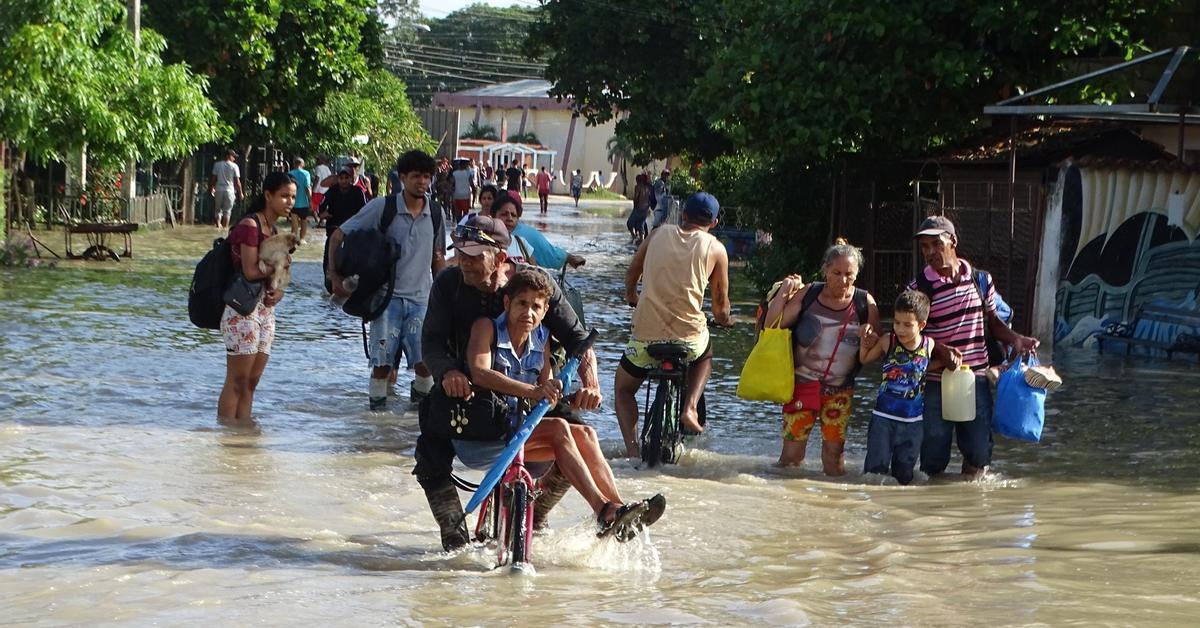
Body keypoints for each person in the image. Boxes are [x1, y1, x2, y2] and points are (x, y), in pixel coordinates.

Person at [415, 215, 604, 551]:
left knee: (577, 435)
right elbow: (431, 342)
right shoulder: (448, 283)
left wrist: (591, 384)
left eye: (474, 256)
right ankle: (454, 535)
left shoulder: (535, 284)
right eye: (460, 254)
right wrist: (447, 372)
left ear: (501, 258)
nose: (464, 263)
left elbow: (580, 342)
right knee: (429, 453)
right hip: (467, 391)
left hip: (532, 389)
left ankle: (540, 510)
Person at [459, 268, 665, 539]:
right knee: (558, 429)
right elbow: (480, 373)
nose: (528, 313)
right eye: (522, 303)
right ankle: (602, 509)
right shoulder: (486, 328)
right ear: (507, 303)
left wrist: (576, 393)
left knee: (586, 432)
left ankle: (618, 509)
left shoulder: (542, 338)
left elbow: (547, 391)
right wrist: (534, 391)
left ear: (545, 312)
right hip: (482, 432)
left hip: (519, 431)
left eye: (536, 307)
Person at [908, 216, 1039, 478]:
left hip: (975, 377)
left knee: (979, 452)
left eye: (936, 244)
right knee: (934, 451)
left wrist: (1015, 339)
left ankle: (971, 511)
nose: (930, 252)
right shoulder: (919, 288)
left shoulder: (981, 281)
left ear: (953, 241)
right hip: (936, 379)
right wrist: (939, 350)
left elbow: (993, 323)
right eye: (925, 247)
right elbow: (909, 337)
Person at [327, 150, 446, 410]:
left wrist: (444, 299)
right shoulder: (383, 207)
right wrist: (333, 275)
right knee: (381, 365)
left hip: (421, 301)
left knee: (425, 365)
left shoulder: (436, 214)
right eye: (416, 177)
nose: (422, 183)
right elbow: (338, 235)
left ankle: (417, 420)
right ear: (402, 177)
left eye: (427, 177)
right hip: (385, 302)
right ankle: (377, 422)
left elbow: (438, 258)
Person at [615, 193, 732, 457]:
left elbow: (632, 272)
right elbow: (720, 306)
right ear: (713, 223)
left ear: (684, 216)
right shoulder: (716, 248)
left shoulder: (657, 234)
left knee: (623, 389)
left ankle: (632, 452)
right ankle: (690, 406)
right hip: (688, 340)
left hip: (645, 337)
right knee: (706, 355)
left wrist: (631, 296)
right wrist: (726, 320)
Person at [761, 240, 882, 475]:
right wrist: (786, 289)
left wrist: (870, 339)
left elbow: (871, 352)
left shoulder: (865, 302)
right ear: (825, 270)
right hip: (801, 386)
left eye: (849, 274)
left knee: (834, 458)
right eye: (837, 273)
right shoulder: (810, 294)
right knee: (791, 457)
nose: (843, 280)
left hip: (840, 391)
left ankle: (832, 505)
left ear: (857, 274)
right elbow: (772, 324)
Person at [217, 171, 296, 423]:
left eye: (293, 197)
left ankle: (242, 437)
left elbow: (279, 276)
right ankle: (226, 435)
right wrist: (279, 265)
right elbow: (251, 271)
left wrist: (279, 291)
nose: (290, 202)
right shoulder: (250, 226)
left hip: (264, 309)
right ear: (268, 195)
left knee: (251, 382)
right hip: (242, 310)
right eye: (284, 196)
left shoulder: (273, 229)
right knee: (237, 380)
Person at [858, 290, 939, 485]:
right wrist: (864, 341)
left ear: (921, 325)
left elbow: (924, 366)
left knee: (904, 475)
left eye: (907, 325)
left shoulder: (929, 345)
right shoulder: (888, 341)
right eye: (896, 323)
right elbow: (864, 358)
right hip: (883, 419)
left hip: (913, 422)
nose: (900, 329)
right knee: (874, 473)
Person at [317, 167, 368, 292]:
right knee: (329, 257)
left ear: (351, 179)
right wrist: (323, 214)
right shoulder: (332, 191)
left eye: (347, 178)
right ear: (337, 179)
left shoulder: (358, 192)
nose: (344, 181)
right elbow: (320, 207)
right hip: (334, 230)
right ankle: (329, 280)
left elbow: (365, 211)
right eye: (341, 178)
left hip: (352, 233)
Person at [208, 149, 243, 230]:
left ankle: (218, 227)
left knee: (217, 210)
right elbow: (237, 181)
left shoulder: (217, 165)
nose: (234, 158)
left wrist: (212, 188)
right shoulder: (234, 166)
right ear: (228, 156)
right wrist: (240, 192)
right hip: (230, 191)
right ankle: (224, 229)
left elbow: (213, 178)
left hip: (219, 189)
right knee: (227, 211)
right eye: (233, 156)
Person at [287, 157, 314, 244]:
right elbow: (307, 188)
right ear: (303, 164)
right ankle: (302, 239)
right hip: (304, 203)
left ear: (294, 164)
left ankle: (293, 240)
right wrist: (310, 201)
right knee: (304, 221)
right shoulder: (306, 173)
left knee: (294, 222)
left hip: (293, 202)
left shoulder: (289, 173)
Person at [629, 173, 652, 243]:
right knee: (641, 224)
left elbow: (636, 198)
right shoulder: (649, 187)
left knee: (629, 223)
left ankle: (634, 235)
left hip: (639, 208)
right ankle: (642, 239)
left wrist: (635, 207)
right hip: (645, 209)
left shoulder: (638, 187)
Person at [311, 155, 332, 219]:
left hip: (318, 190)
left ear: (322, 160)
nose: (316, 161)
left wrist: (313, 189)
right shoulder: (327, 168)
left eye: (318, 159)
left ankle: (317, 220)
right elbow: (330, 178)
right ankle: (321, 220)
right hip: (325, 190)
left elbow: (317, 178)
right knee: (322, 206)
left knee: (313, 207)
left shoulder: (318, 167)